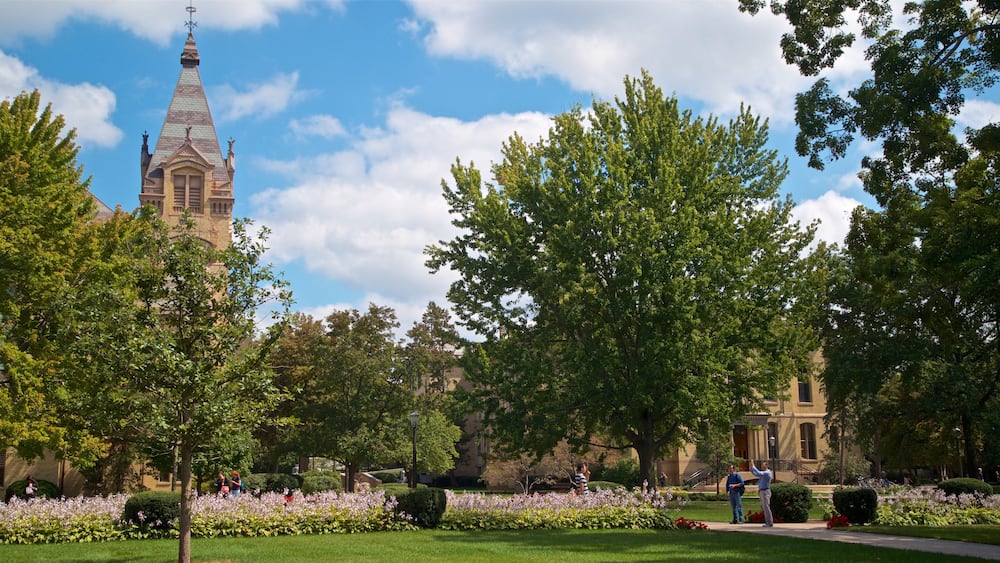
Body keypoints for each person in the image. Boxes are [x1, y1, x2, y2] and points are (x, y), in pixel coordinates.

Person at [750, 460, 774, 527]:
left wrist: (753, 466)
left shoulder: (767, 473)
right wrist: (751, 468)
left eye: (763, 465)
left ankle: (769, 522)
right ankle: (768, 522)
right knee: (764, 507)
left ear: (766, 465)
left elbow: (758, 473)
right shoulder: (764, 473)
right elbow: (756, 474)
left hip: (766, 491)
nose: (762, 466)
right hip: (762, 491)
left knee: (766, 507)